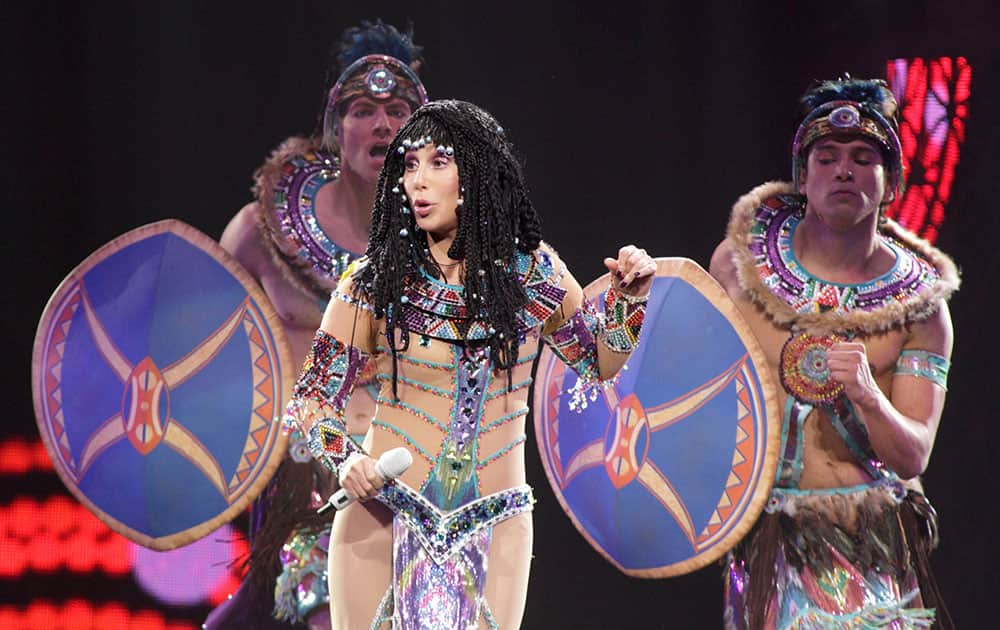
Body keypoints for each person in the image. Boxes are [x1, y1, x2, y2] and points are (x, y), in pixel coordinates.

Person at [283, 99, 656, 629]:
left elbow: (599, 363)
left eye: (438, 163)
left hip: (497, 524)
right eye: (409, 165)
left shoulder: (536, 275)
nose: (418, 180)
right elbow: (311, 399)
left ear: (477, 173)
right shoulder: (371, 283)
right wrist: (347, 459)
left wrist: (629, 300)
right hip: (382, 519)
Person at [709, 77, 959, 628]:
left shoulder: (920, 308)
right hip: (764, 546)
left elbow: (914, 455)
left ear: (890, 182)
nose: (843, 170)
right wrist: (630, 305)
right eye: (826, 158)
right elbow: (679, 382)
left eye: (863, 158)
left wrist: (869, 397)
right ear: (802, 177)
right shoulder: (737, 267)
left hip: (867, 553)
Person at [204, 20, 429, 629]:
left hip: (415, 482)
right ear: (336, 131)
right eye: (363, 109)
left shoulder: (454, 249)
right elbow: (205, 366)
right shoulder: (256, 235)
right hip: (303, 491)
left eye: (399, 109)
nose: (382, 123)